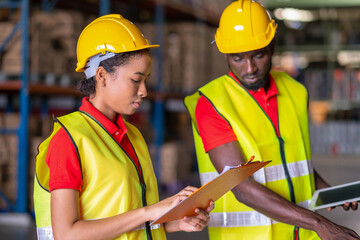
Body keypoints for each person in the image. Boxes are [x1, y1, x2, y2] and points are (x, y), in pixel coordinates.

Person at [184, 0, 359, 239]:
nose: (250, 68)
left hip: (301, 234)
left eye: (258, 55)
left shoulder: (295, 91)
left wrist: (326, 189)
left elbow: (295, 161)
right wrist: (321, 224)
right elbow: (241, 188)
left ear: (273, 44)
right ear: (225, 53)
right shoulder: (211, 104)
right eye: (237, 58)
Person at [33, 14, 214, 240]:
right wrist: (150, 211)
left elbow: (128, 224)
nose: (144, 91)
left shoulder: (133, 136)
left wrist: (179, 222)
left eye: (146, 80)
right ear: (102, 76)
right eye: (136, 80)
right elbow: (68, 234)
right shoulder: (70, 139)